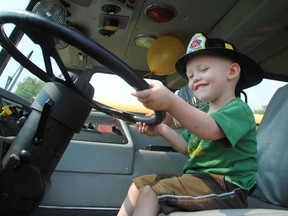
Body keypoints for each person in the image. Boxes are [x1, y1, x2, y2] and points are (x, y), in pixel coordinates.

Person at [117, 32, 263, 216]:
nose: (194, 79)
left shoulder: (238, 110)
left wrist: (170, 101)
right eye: (190, 75)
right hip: (199, 180)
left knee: (152, 192)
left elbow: (210, 130)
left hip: (228, 186)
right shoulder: (202, 113)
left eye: (203, 70)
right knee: (140, 185)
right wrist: (162, 128)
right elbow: (188, 147)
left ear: (232, 72)